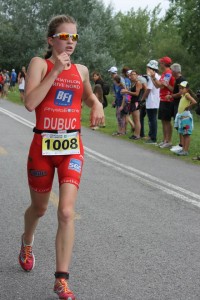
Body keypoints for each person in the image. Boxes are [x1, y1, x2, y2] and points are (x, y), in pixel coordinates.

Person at [18, 14, 104, 300]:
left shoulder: (81, 70)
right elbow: (30, 102)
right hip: (42, 146)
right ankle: (27, 241)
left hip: (71, 147)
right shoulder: (39, 64)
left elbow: (90, 97)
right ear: (51, 39)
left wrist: (97, 105)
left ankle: (61, 279)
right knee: (39, 209)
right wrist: (54, 71)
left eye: (74, 37)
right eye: (64, 36)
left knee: (66, 211)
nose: (70, 42)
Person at [149, 56, 175, 148]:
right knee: (164, 120)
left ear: (164, 63)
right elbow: (158, 86)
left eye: (161, 62)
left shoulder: (168, 73)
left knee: (167, 121)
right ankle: (165, 140)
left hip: (168, 99)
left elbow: (163, 86)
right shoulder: (164, 73)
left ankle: (168, 141)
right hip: (163, 98)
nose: (160, 64)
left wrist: (155, 79)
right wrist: (153, 77)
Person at [166, 63, 186, 153]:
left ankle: (182, 145)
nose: (171, 72)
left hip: (180, 104)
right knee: (177, 124)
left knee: (181, 125)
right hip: (175, 103)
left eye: (172, 71)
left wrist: (171, 96)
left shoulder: (182, 80)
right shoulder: (177, 80)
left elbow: (181, 93)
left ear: (175, 71)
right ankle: (180, 143)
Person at [174, 81, 197, 156]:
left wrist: (188, 107)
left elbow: (194, 102)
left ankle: (186, 150)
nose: (180, 90)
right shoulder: (183, 96)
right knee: (184, 134)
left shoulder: (187, 95)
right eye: (180, 88)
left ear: (187, 89)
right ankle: (183, 149)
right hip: (182, 117)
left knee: (186, 134)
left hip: (186, 117)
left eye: (182, 88)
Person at [141, 60, 161, 144]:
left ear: (152, 68)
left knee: (152, 120)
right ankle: (150, 135)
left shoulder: (152, 77)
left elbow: (148, 89)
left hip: (152, 101)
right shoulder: (157, 76)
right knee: (151, 119)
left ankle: (153, 138)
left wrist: (142, 99)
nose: (147, 69)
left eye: (148, 67)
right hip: (154, 100)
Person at [121, 70, 143, 140]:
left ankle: (137, 135)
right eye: (131, 75)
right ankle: (135, 134)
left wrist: (127, 91)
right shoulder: (133, 83)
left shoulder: (138, 83)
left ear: (137, 75)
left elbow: (136, 93)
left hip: (136, 102)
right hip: (132, 102)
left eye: (134, 74)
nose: (132, 76)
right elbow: (132, 93)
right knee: (134, 119)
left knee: (137, 119)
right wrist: (128, 97)